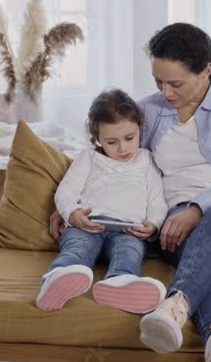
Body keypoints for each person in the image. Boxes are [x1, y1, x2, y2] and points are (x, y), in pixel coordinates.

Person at [51, 23, 211, 362]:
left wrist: (197, 208)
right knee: (210, 241)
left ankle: (174, 307)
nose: (165, 92)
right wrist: (70, 203)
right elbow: (114, 157)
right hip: (177, 223)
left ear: (207, 69)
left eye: (176, 83)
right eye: (159, 82)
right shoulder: (149, 110)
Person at [37, 88, 168, 313]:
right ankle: (56, 280)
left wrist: (153, 224)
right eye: (111, 142)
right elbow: (66, 190)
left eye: (129, 138)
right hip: (88, 224)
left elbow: (157, 199)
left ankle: (119, 284)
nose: (123, 148)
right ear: (97, 139)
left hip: (129, 230)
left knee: (129, 253)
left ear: (140, 128)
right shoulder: (89, 157)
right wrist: (72, 214)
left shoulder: (147, 160)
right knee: (78, 250)